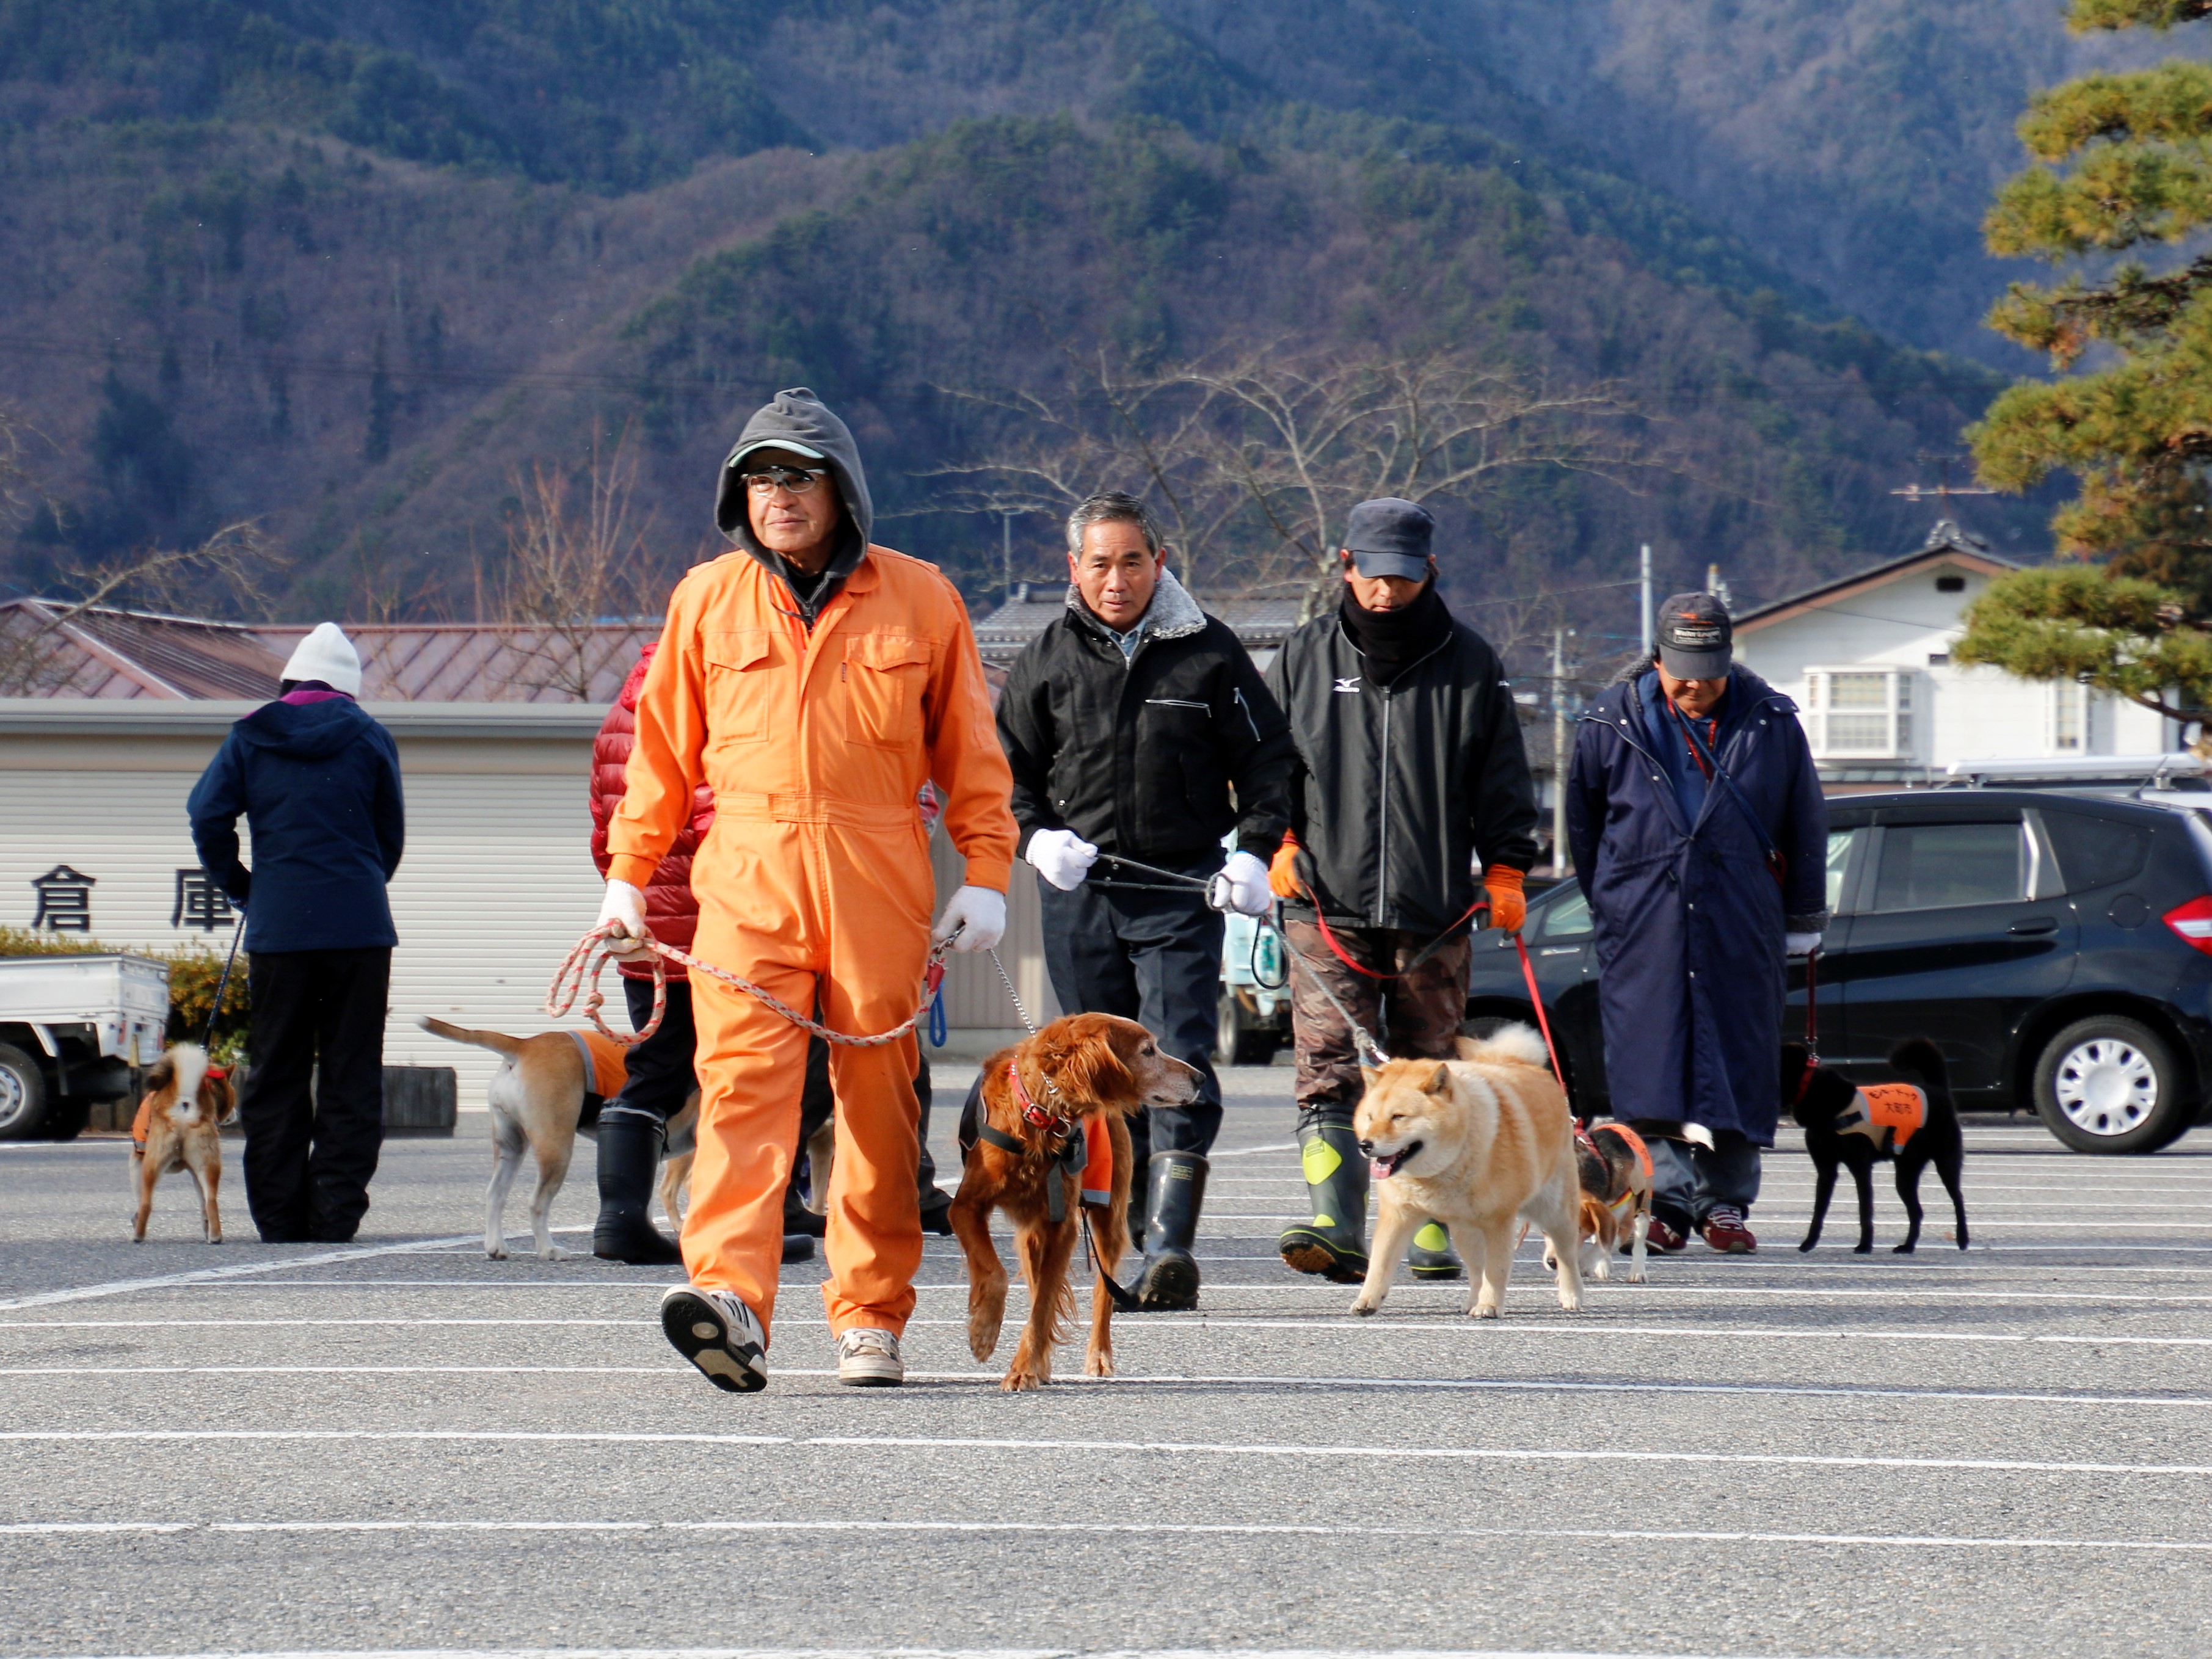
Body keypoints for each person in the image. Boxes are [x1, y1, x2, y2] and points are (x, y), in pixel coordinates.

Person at [597, 386, 1015, 1392]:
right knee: (741, 1095)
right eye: (759, 476)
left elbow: (971, 752)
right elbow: (657, 760)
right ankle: (730, 1299)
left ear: (841, 490)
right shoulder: (705, 598)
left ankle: (869, 1315)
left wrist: (989, 872)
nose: (777, 494)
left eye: (798, 475)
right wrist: (625, 880)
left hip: (878, 880)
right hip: (746, 881)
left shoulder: (922, 597)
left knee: (877, 1106)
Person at [995, 490, 1293, 1309]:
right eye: (1099, 563)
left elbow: (1270, 763)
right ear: (1073, 569)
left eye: (1132, 561)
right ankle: (1107, 1243)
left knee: (1179, 1058)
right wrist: (1034, 836)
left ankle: (1170, 1247)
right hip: (1080, 895)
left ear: (1159, 563)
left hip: (1179, 892)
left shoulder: (1209, 655)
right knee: (1090, 1076)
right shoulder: (1046, 659)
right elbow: (1002, 771)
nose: (1116, 579)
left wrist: (1256, 854)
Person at [1264, 498, 1540, 1285]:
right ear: (1345, 564)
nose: (1386, 591)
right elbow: (1268, 763)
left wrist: (1508, 866)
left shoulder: (1469, 661)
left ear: (1429, 573)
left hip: (1434, 904)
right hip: (1324, 897)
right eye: (1373, 574)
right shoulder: (1305, 656)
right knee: (1326, 1061)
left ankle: (1430, 1221)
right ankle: (1334, 1221)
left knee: (1427, 1069)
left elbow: (1501, 775)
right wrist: (1276, 838)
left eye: (1403, 577)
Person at [1566, 592, 1828, 1254]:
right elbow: (1584, 828)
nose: (1694, 682)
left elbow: (1804, 824)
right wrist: (1615, 902)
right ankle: (1662, 1202)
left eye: (1708, 667)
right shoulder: (1608, 722)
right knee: (1653, 1065)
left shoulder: (1772, 720)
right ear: (1656, 657)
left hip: (1741, 917)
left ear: (1728, 659)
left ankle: (1726, 1203)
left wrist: (1802, 913)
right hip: (1645, 918)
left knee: (1738, 1060)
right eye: (1681, 665)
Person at [186, 623, 404, 1244]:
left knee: (278, 1070)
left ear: (289, 680)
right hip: (359, 927)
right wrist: (360, 881)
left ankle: (278, 1218)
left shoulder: (250, 734)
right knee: (351, 1071)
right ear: (349, 689)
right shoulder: (369, 735)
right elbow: (389, 833)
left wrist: (246, 886)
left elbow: (206, 814)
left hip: (279, 927)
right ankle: (335, 1214)